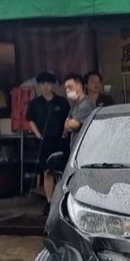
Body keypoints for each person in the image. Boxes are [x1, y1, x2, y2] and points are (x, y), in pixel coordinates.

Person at [40, 74, 96, 216]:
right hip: (75, 151)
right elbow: (66, 127)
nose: (68, 90)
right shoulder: (75, 106)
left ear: (80, 86)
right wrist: (68, 125)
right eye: (66, 88)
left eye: (70, 87)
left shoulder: (87, 104)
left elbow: (73, 124)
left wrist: (69, 125)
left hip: (86, 153)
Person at [25, 72, 70, 215]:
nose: (46, 87)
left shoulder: (62, 102)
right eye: (43, 84)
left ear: (53, 85)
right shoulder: (35, 103)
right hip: (44, 142)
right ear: (39, 85)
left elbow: (68, 118)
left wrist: (65, 132)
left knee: (62, 173)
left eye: (49, 84)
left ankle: (63, 201)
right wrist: (38, 135)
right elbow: (30, 119)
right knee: (47, 172)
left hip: (61, 141)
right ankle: (50, 202)